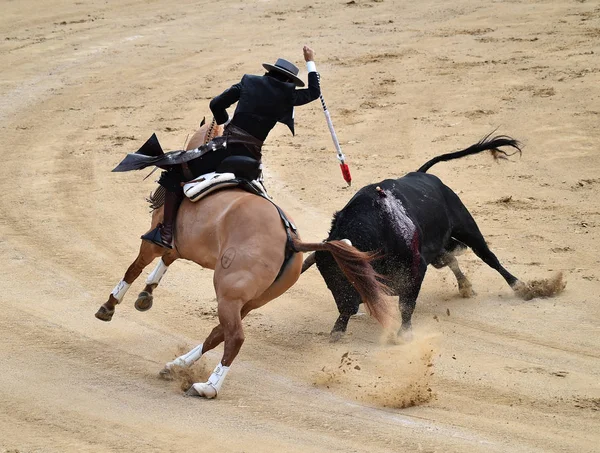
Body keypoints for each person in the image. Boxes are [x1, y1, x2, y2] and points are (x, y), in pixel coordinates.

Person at [141, 45, 321, 249]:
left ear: (268, 72)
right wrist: (310, 60)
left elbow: (216, 104)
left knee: (173, 173)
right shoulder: (288, 96)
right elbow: (314, 92)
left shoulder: (248, 82)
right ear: (289, 82)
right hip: (252, 161)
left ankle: (165, 234)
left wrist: (223, 121)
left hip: (225, 152)